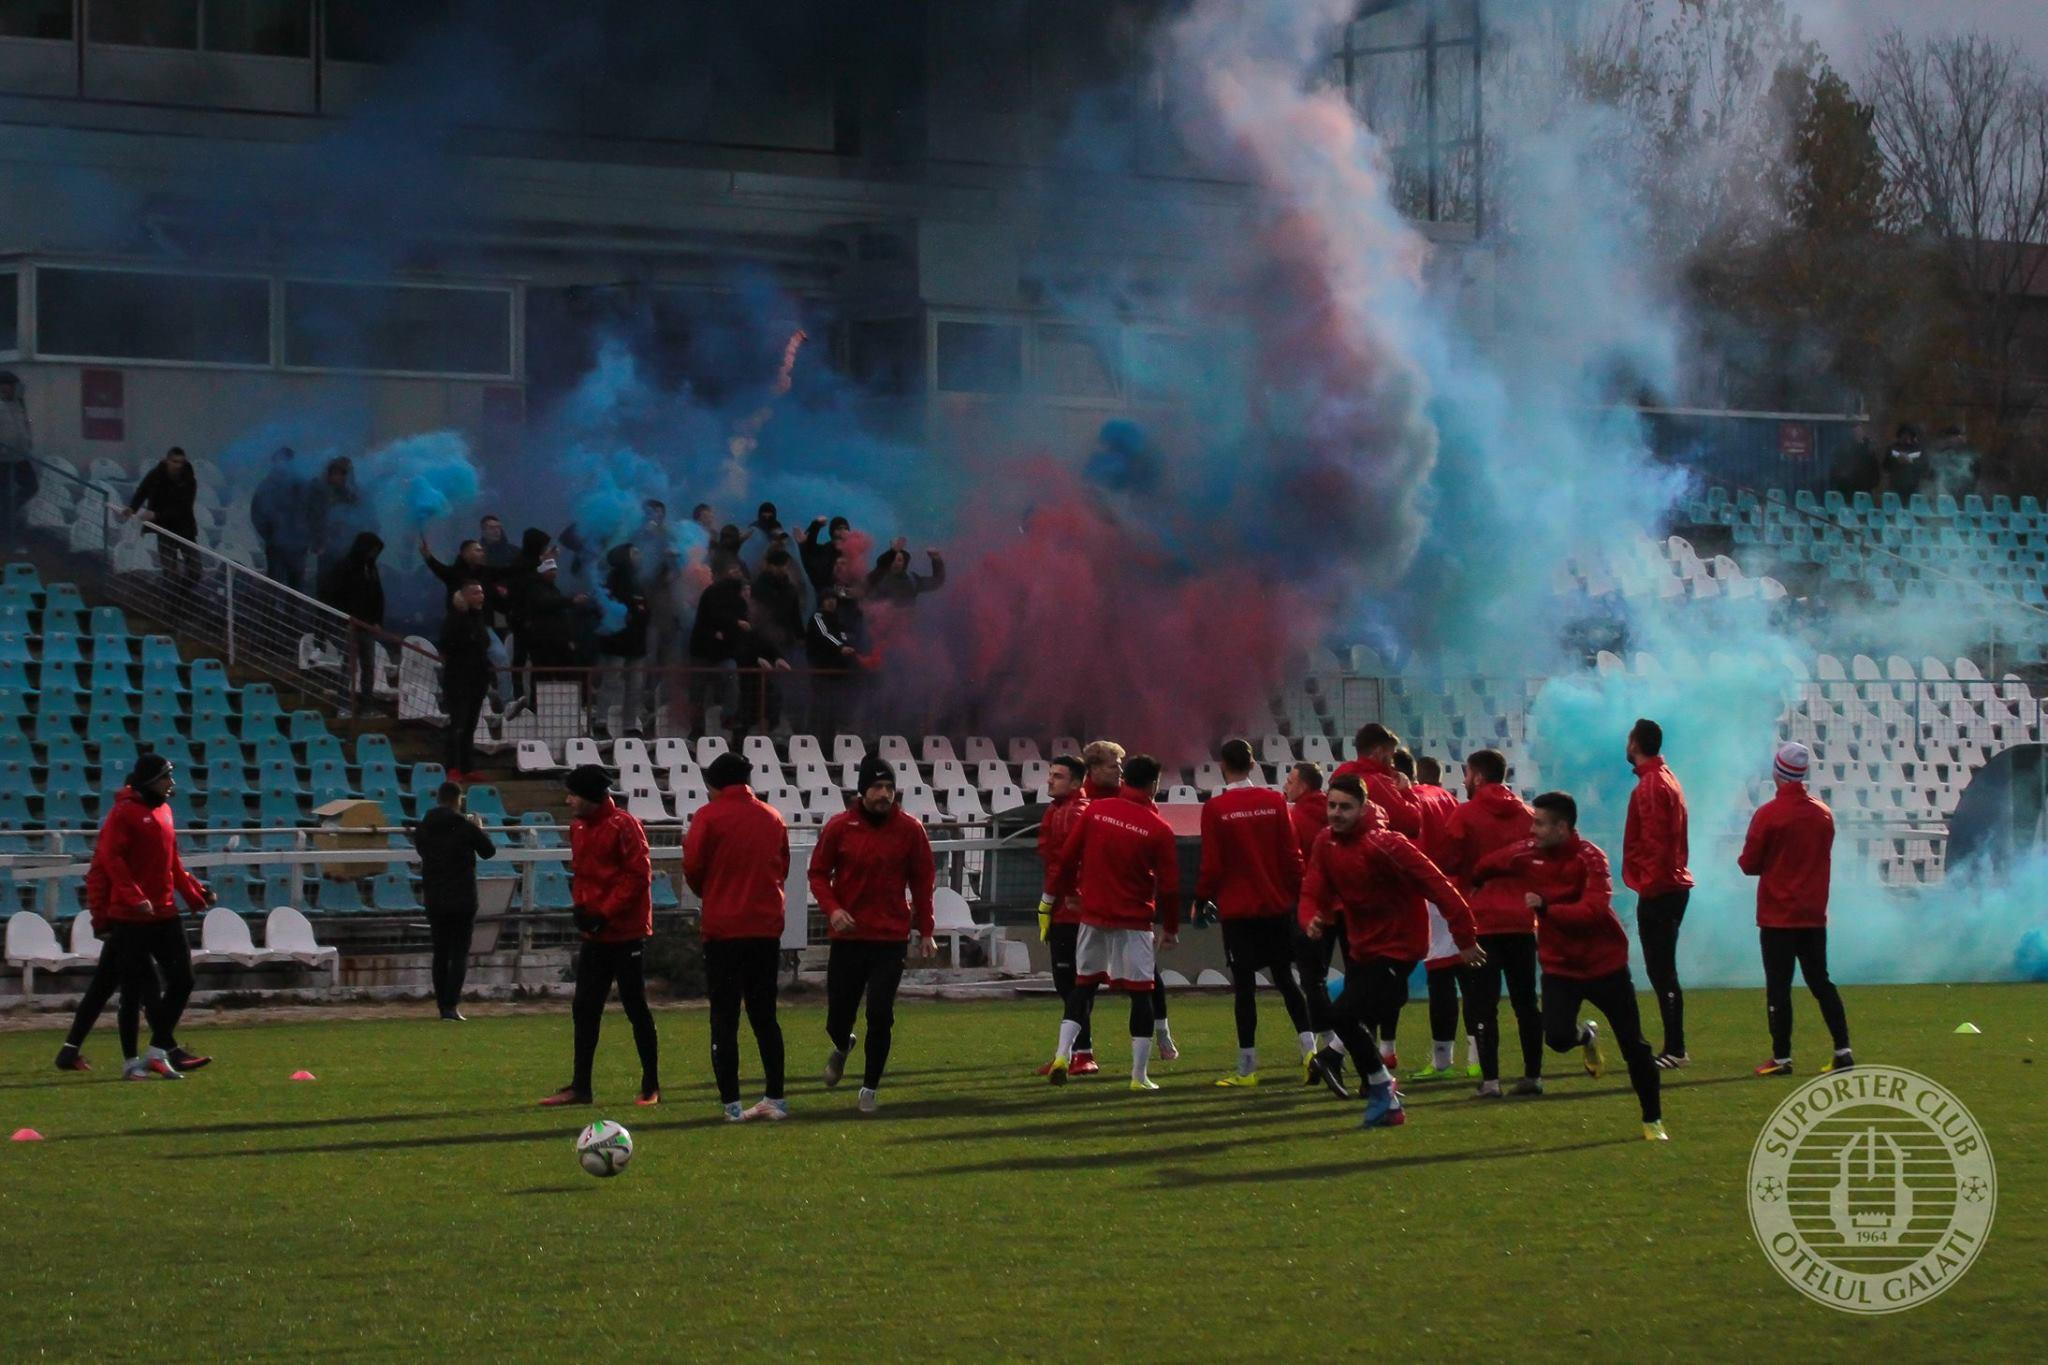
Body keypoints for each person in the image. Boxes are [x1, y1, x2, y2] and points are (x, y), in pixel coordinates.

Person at [1472, 791, 1667, 1141]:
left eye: (1540, 824)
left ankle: (1652, 1120)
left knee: (1633, 1045)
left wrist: (1546, 908)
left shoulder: (1591, 858)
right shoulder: (1525, 854)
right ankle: (1586, 1035)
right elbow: (1486, 866)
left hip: (1605, 963)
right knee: (1558, 1038)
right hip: (1561, 966)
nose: (1533, 830)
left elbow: (1592, 911)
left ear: (1563, 827)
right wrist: (1476, 881)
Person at [1299, 774, 1483, 1129]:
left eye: (1345, 807)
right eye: (1332, 806)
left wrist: (1465, 937)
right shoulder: (1326, 842)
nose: (1336, 814)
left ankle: (1383, 1089)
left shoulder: (1387, 844)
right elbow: (1311, 889)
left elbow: (1439, 887)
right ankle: (1380, 1091)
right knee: (1356, 1016)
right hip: (1364, 946)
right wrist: (1310, 918)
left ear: (1365, 807)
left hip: (1400, 947)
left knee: (1343, 1015)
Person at [1043, 754, 1181, 1090]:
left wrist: (1057, 896)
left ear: (1124, 780)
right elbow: (1171, 886)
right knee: (1141, 995)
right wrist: (1172, 927)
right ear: (1153, 785)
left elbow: (1065, 859)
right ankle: (1139, 1076)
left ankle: (1063, 1054)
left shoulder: (1095, 811)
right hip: (1133, 921)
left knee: (1083, 986)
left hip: (1092, 916)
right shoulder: (1158, 828)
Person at [75, 754, 214, 1081]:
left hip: (164, 912)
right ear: (150, 780)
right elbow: (111, 861)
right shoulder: (123, 814)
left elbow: (173, 864)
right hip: (130, 917)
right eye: (166, 777)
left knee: (184, 979)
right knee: (132, 991)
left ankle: (156, 1052)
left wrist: (196, 894)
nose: (172, 784)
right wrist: (132, 898)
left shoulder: (165, 812)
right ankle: (132, 1062)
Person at [810, 756, 937, 1113]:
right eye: (877, 787)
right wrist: (833, 910)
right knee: (838, 1017)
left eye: (889, 788)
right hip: (849, 939)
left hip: (889, 938)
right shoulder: (840, 827)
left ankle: (869, 1090)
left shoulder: (910, 829)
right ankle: (842, 1044)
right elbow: (818, 873)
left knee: (880, 1014)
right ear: (862, 790)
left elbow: (923, 881)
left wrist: (926, 929)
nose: (884, 795)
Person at [1196, 739, 1316, 1086]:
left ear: (1222, 765)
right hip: (1275, 907)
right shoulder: (1274, 801)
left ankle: (1247, 1069)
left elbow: (1213, 864)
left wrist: (1202, 897)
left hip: (1238, 912)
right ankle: (1309, 1050)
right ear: (1253, 765)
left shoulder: (1216, 809)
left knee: (1245, 989)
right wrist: (1299, 893)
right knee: (1286, 981)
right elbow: (1291, 855)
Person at [540, 766, 660, 1108]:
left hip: (625, 932)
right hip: (595, 933)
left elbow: (638, 877)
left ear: (590, 796)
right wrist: (582, 909)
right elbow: (582, 873)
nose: (568, 800)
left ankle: (651, 1084)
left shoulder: (624, 825)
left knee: (636, 1007)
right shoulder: (578, 827)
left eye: (573, 794)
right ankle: (581, 1086)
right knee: (584, 1009)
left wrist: (603, 913)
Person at [682, 753, 792, 1122]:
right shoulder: (772, 816)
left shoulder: (708, 816)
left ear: (714, 783)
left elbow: (694, 869)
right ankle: (775, 1098)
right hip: (764, 929)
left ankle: (731, 1105)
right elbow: (783, 866)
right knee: (765, 1016)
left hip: (724, 929)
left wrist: (713, 891)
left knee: (724, 1019)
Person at [1739, 742, 1851, 1076]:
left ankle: (1782, 1057)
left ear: (1778, 773)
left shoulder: (1768, 815)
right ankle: (1843, 1049)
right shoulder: (1823, 813)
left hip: (1777, 916)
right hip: (1814, 915)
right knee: (1821, 982)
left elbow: (1749, 864)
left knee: (1778, 986)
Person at [1441, 749, 1542, 1098]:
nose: (1465, 780)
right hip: (1522, 921)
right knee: (1526, 1001)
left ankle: (1491, 1081)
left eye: (1467, 773)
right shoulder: (1529, 814)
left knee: (1483, 1004)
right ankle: (1533, 1076)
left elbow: (1449, 862)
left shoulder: (1464, 815)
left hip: (1482, 922)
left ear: (1479, 777)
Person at [1080, 739, 1177, 1060]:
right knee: (1086, 981)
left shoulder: (1127, 803)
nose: (1119, 771)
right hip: (1093, 903)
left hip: (1123, 905)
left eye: (1122, 765)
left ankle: (1161, 1032)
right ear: (1093, 770)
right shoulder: (1087, 806)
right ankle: (1080, 1050)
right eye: (1113, 765)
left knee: (1147, 979)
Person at [1623, 718, 1694, 1070]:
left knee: (1661, 969)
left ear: (1635, 743)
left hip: (1661, 887)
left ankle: (1676, 1048)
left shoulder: (1650, 786)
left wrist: (1648, 886)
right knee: (1662, 969)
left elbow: (1655, 842)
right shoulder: (1666, 779)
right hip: (1671, 884)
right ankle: (1675, 1046)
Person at [1407, 753, 1477, 1082]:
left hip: (1431, 893)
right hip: (1458, 891)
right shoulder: (1450, 800)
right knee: (1468, 976)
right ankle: (1477, 1056)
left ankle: (1442, 1061)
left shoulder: (1416, 799)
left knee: (1441, 979)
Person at [1283, 759, 1348, 1093]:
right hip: (1348, 905)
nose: (1286, 785)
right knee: (1358, 977)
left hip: (1314, 907)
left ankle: (1330, 1045)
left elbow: (1295, 864)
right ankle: (1366, 1049)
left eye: (1291, 780)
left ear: (1304, 785)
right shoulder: (1337, 811)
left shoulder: (1296, 817)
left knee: (1313, 980)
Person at [408, 782, 497, 1021]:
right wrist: (479, 828)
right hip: (463, 897)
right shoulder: (463, 825)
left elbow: (421, 851)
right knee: (459, 953)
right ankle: (451, 1005)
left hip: (435, 896)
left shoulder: (425, 827)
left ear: (439, 798)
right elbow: (488, 851)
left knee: (440, 952)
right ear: (457, 800)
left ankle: (441, 1006)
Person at [1034, 754, 1099, 1077]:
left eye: (1057, 776)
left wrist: (1049, 901)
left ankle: (1082, 1053)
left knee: (1073, 983)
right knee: (1072, 983)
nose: (1049, 780)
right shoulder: (1061, 810)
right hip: (1068, 909)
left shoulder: (1071, 813)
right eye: (1050, 775)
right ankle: (1075, 1052)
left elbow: (1063, 862)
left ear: (1076, 782)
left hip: (1070, 913)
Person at [317, 531, 386, 709]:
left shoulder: (372, 569)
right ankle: (344, 705)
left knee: (368, 667)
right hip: (349, 625)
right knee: (348, 667)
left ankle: (367, 707)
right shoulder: (344, 567)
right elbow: (334, 595)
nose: (374, 554)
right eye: (373, 550)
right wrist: (343, 620)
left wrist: (378, 620)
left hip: (368, 626)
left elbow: (378, 596)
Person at [438, 581, 494, 781]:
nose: (481, 596)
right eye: (476, 593)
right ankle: (452, 766)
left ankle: (467, 767)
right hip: (458, 679)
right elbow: (447, 643)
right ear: (465, 596)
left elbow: (484, 641)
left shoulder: (478, 618)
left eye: (482, 592)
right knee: (458, 724)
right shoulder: (454, 618)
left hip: (477, 679)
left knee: (470, 725)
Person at [122, 446, 202, 586]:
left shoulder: (189, 480)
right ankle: (172, 601)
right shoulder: (155, 475)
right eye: (175, 462)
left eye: (181, 462)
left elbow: (183, 508)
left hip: (185, 530)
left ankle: (183, 595)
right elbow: (143, 490)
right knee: (170, 574)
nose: (178, 466)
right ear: (167, 461)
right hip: (164, 531)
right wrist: (132, 508)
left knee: (196, 572)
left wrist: (155, 515)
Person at [596, 543, 651, 738]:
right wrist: (636, 612)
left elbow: (644, 609)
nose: (639, 555)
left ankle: (630, 723)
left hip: (636, 641)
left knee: (636, 685)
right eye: (635, 551)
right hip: (618, 642)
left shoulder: (638, 581)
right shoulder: (614, 580)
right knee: (611, 681)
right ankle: (601, 720)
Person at [1332, 722, 1422, 838]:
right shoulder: (1378, 783)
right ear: (1379, 752)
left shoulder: (1339, 776)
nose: (1392, 764)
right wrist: (1406, 790)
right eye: (1391, 756)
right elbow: (1413, 824)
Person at [250, 447, 311, 593]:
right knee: (273, 586)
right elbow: (257, 513)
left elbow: (311, 512)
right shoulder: (266, 486)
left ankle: (291, 616)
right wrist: (270, 536)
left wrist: (305, 535)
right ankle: (269, 615)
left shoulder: (302, 485)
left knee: (296, 590)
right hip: (276, 546)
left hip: (298, 546)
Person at [804, 590, 861, 735]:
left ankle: (832, 741)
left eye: (833, 599)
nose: (831, 602)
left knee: (837, 710)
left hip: (838, 674)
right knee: (822, 708)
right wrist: (841, 647)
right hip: (822, 671)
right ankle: (817, 739)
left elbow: (847, 637)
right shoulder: (818, 617)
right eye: (827, 599)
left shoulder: (838, 620)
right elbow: (825, 634)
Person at [307, 456, 361, 581]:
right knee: (327, 579)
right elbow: (312, 518)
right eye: (339, 474)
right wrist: (317, 543)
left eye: (344, 474)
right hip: (326, 545)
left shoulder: (350, 493)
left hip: (345, 544)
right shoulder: (318, 491)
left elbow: (359, 515)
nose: (342, 478)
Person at [0, 370, 34, 546]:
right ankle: (5, 533)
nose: (9, 389)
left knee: (31, 486)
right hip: (2, 460)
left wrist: (28, 442)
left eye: (11, 385)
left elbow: (24, 426)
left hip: (20, 456)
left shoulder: (19, 404)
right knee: (4, 494)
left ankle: (9, 512)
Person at [866, 541, 946, 608]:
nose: (895, 562)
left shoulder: (912, 580)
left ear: (904, 564)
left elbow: (937, 582)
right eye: (892, 559)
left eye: (899, 560)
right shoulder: (876, 579)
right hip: (879, 624)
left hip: (906, 624)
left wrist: (936, 559)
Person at [801, 515, 852, 595]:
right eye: (839, 528)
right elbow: (809, 547)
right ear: (832, 533)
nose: (843, 532)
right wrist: (816, 525)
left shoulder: (852, 555)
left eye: (846, 529)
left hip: (844, 601)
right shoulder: (824, 551)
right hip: (823, 599)